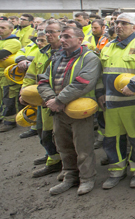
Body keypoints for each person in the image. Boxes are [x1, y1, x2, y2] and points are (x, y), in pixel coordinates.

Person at [38, 26, 102, 195]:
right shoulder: (57, 57)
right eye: (62, 36)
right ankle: (70, 176)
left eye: (67, 36)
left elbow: (83, 82)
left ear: (80, 40)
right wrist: (51, 100)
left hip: (80, 111)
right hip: (58, 110)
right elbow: (43, 80)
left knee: (83, 147)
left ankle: (87, 178)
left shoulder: (90, 58)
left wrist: (59, 100)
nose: (62, 39)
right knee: (64, 145)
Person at [98, 13, 135, 189]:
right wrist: (100, 92)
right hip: (111, 104)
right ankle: (116, 171)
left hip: (133, 103)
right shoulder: (108, 46)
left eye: (124, 23)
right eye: (117, 23)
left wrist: (134, 85)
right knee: (112, 139)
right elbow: (101, 73)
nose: (119, 26)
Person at [18, 21, 64, 177]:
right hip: (41, 100)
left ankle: (63, 163)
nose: (48, 35)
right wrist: (24, 92)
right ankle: (52, 159)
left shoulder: (69, 52)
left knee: (58, 135)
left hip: (59, 101)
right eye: (47, 32)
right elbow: (31, 75)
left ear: (61, 33)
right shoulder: (41, 52)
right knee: (42, 132)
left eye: (52, 32)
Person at [0, 20, 22, 132]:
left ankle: (10, 121)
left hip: (8, 76)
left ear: (11, 29)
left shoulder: (13, 42)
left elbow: (1, 54)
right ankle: (2, 117)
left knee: (9, 98)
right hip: (1, 75)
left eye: (3, 28)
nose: (0, 29)